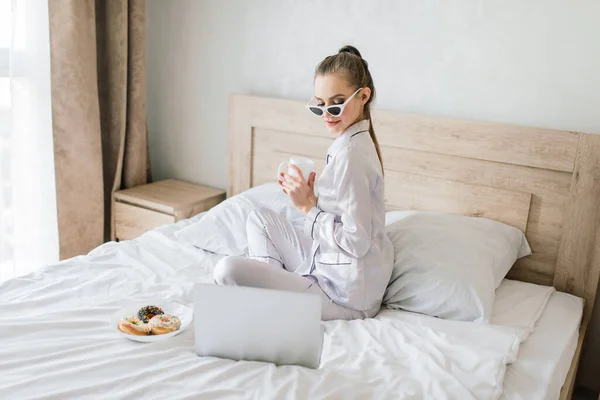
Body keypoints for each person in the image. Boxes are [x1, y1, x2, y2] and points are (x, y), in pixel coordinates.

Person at [213, 45, 394, 321]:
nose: (326, 114)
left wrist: (308, 209)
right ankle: (270, 290)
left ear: (363, 97)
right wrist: (312, 199)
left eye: (336, 103)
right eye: (319, 105)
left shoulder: (351, 155)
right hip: (332, 268)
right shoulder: (350, 143)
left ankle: (266, 294)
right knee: (258, 219)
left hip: (346, 296)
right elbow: (346, 212)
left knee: (226, 271)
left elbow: (356, 242)